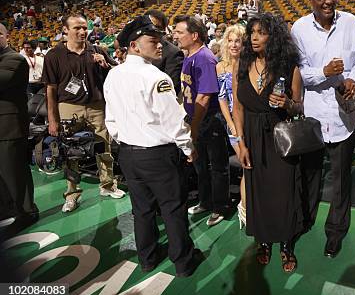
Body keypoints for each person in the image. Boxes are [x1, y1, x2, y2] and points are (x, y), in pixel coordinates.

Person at [103, 15, 203, 277]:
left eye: (160, 40)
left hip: (128, 154)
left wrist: (125, 139)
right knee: (172, 208)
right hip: (158, 156)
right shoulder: (156, 77)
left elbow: (110, 119)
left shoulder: (113, 75)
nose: (160, 45)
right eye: (152, 41)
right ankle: (183, 262)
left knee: (142, 210)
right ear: (134, 46)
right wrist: (188, 147)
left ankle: (147, 259)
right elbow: (173, 120)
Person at [292, 0, 355, 258]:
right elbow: (299, 70)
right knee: (309, 174)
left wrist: (352, 79)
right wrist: (324, 72)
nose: (327, 1)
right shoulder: (299, 28)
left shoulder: (350, 23)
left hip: (344, 116)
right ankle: (306, 219)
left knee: (340, 179)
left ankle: (335, 232)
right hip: (314, 115)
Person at [233, 13, 304, 272]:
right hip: (251, 137)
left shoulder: (288, 67)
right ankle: (263, 242)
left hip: (280, 137)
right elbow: (237, 108)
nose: (253, 37)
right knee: (257, 191)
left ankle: (286, 244)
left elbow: (299, 107)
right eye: (251, 32)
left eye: (260, 32)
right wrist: (240, 144)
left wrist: (287, 103)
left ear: (272, 37)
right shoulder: (241, 64)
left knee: (283, 192)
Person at [42, 14, 125, 213]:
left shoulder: (97, 50)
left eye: (83, 28)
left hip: (97, 106)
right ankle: (72, 194)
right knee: (70, 151)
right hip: (69, 107)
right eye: (76, 28)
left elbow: (118, 73)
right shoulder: (54, 55)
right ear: (65, 31)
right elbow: (50, 90)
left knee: (103, 147)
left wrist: (105, 66)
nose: (82, 31)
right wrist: (53, 120)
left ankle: (107, 185)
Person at [173, 15, 229, 226]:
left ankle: (220, 206)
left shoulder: (204, 57)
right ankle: (205, 201)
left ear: (194, 35)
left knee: (217, 166)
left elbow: (204, 96)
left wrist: (193, 128)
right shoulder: (189, 55)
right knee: (200, 164)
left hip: (209, 119)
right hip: (195, 118)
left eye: (179, 32)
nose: (175, 35)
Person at [0, 23, 38, 227]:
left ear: (7, 36)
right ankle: (7, 210)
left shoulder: (14, 59)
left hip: (9, 127)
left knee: (14, 171)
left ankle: (26, 211)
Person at [215, 24, 246, 227]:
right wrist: (230, 123)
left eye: (238, 41)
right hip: (233, 124)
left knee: (252, 167)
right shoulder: (220, 66)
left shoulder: (250, 64)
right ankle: (244, 207)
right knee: (247, 165)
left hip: (251, 120)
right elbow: (222, 98)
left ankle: (248, 204)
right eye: (231, 40)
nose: (234, 44)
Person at [145, 10, 185, 93]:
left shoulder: (173, 52)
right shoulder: (136, 47)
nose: (149, 28)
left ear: (163, 29)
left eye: (154, 26)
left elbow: (171, 88)